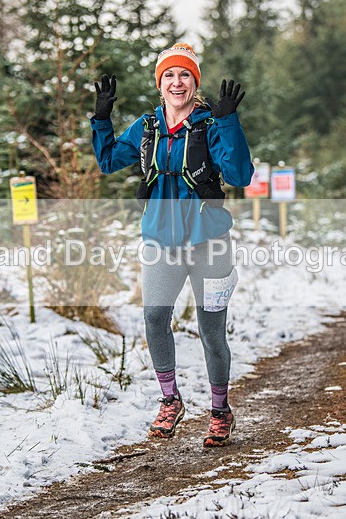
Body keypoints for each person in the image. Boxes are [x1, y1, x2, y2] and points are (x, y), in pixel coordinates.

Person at [90, 43, 253, 447]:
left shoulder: (210, 124)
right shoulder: (146, 127)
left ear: (193, 83)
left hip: (209, 242)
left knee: (211, 331)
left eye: (184, 75)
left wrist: (229, 122)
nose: (176, 82)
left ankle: (219, 411)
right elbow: (109, 160)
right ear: (159, 84)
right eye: (169, 76)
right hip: (160, 242)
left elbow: (240, 174)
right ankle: (170, 400)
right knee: (154, 319)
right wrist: (101, 117)